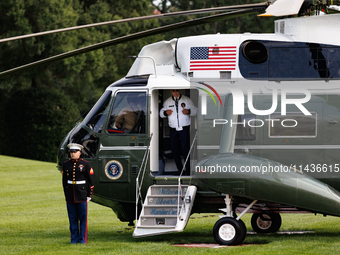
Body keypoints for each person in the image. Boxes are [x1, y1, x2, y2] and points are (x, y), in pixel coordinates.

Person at [62, 143, 94, 244]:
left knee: (83, 218)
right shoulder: (66, 164)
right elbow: (64, 181)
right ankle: (74, 239)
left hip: (82, 194)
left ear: (80, 153)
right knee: (72, 218)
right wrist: (66, 194)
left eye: (75, 152)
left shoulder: (86, 164)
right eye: (71, 152)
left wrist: (89, 195)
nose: (73, 154)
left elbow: (91, 182)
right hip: (70, 195)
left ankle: (83, 239)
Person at [160, 89, 197, 175]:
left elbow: (196, 111)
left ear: (179, 90)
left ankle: (188, 170)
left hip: (184, 128)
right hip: (173, 129)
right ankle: (179, 169)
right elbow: (160, 113)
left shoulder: (187, 100)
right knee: (174, 149)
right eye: (173, 91)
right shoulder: (167, 101)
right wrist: (165, 113)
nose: (175, 92)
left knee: (185, 149)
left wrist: (189, 111)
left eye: (177, 90)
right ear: (171, 91)